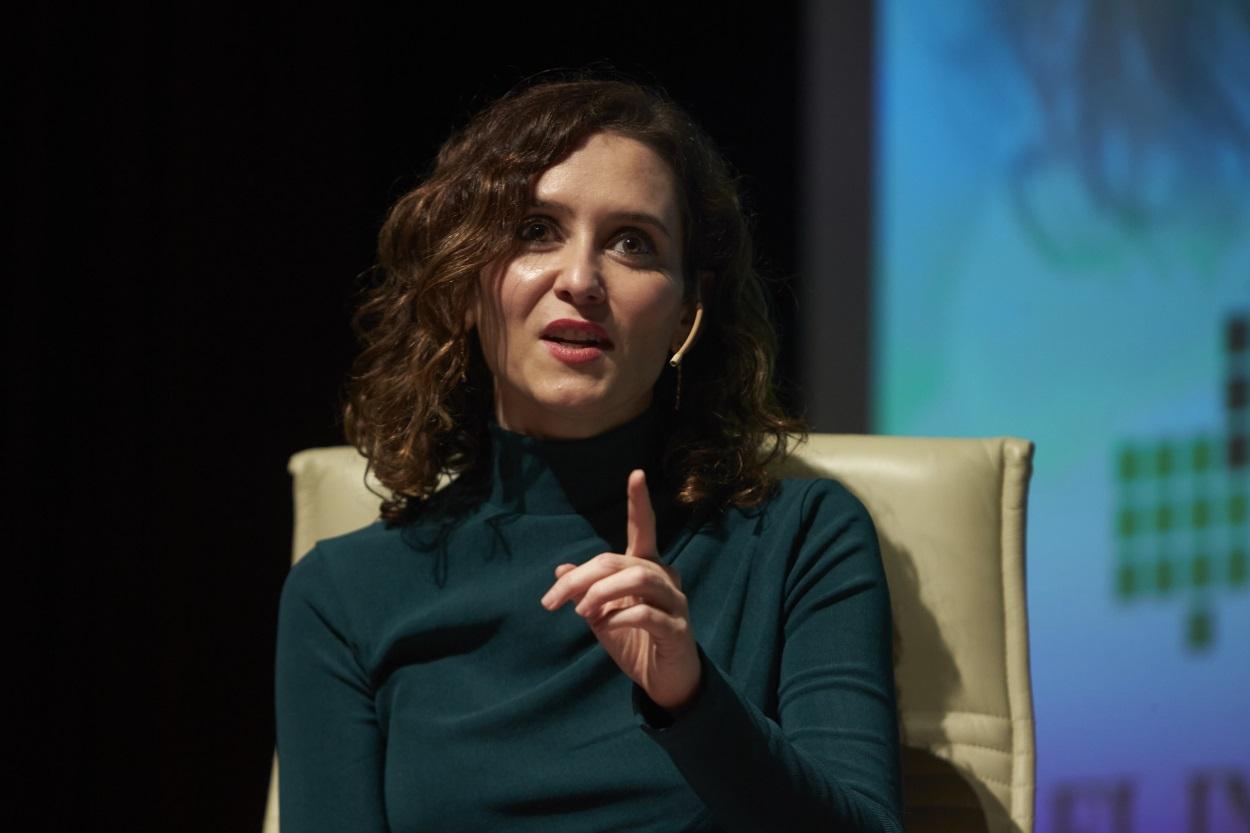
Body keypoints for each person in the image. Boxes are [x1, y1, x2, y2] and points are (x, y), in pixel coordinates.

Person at [275, 76, 902, 833]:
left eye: (632, 243)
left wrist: (691, 696)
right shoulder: (342, 595)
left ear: (686, 313)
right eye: (536, 229)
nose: (580, 280)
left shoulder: (801, 540)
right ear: (467, 279)